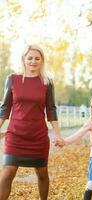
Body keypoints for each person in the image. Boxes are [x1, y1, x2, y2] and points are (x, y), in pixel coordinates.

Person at [0, 44, 63, 200]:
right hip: (15, 135)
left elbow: (51, 109)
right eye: (30, 58)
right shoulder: (12, 79)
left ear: (42, 61)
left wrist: (57, 134)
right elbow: (5, 108)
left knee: (42, 173)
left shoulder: (47, 82)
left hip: (38, 137)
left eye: (37, 58)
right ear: (23, 59)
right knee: (7, 172)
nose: (33, 61)